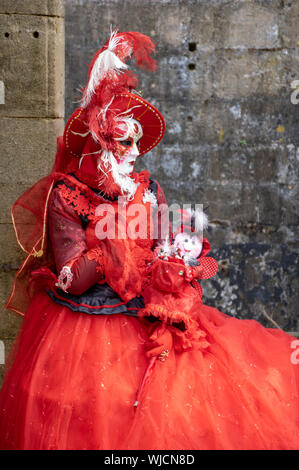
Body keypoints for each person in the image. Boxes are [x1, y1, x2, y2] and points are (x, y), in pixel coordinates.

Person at [0, 30, 298, 450]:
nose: (134, 152)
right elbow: (70, 277)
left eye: (138, 142)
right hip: (83, 331)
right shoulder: (68, 197)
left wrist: (177, 261)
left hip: (149, 317)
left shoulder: (148, 190)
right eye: (124, 141)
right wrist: (111, 245)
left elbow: (164, 248)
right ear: (98, 140)